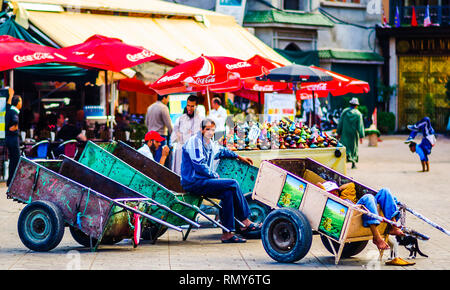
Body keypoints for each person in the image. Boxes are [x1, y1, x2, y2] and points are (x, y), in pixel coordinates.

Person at [180, 118, 261, 243]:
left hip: (203, 181)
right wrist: (214, 175)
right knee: (232, 183)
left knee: (227, 193)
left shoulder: (210, 143)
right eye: (207, 129)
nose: (210, 132)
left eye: (212, 130)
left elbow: (222, 151)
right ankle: (245, 221)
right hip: (193, 182)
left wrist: (240, 157)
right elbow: (199, 165)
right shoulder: (194, 142)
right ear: (201, 130)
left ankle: (227, 234)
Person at [318, 181, 404, 250]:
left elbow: (350, 184)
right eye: (332, 191)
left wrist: (339, 188)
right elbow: (319, 186)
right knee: (368, 197)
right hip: (351, 216)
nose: (335, 192)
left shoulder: (345, 197)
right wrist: (325, 191)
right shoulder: (331, 205)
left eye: (336, 190)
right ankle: (376, 237)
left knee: (385, 191)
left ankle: (394, 225)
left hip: (360, 209)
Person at [171, 95, 203, 174]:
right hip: (180, 151)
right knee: (178, 174)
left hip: (193, 153)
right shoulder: (181, 119)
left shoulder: (200, 120)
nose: (189, 108)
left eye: (192, 106)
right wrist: (180, 135)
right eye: (188, 106)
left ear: (196, 106)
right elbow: (174, 136)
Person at [145, 94, 173, 166]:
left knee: (151, 159)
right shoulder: (164, 108)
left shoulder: (150, 107)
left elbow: (146, 123)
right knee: (160, 160)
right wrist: (173, 137)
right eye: (167, 98)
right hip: (160, 137)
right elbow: (169, 125)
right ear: (164, 98)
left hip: (150, 138)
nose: (168, 101)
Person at [337, 97, 365, 169]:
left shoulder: (345, 112)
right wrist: (361, 136)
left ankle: (343, 164)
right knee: (353, 148)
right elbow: (360, 126)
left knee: (345, 147)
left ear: (350, 104)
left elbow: (340, 123)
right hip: (353, 134)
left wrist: (338, 133)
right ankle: (353, 164)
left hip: (345, 133)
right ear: (356, 105)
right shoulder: (358, 114)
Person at [5, 88, 22, 186]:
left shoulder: (9, 109)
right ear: (18, 103)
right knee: (16, 160)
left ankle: (10, 181)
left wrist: (11, 95)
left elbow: (8, 104)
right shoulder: (14, 112)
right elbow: (13, 126)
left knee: (12, 160)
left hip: (8, 139)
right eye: (21, 101)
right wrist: (16, 128)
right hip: (13, 139)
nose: (21, 104)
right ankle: (13, 181)